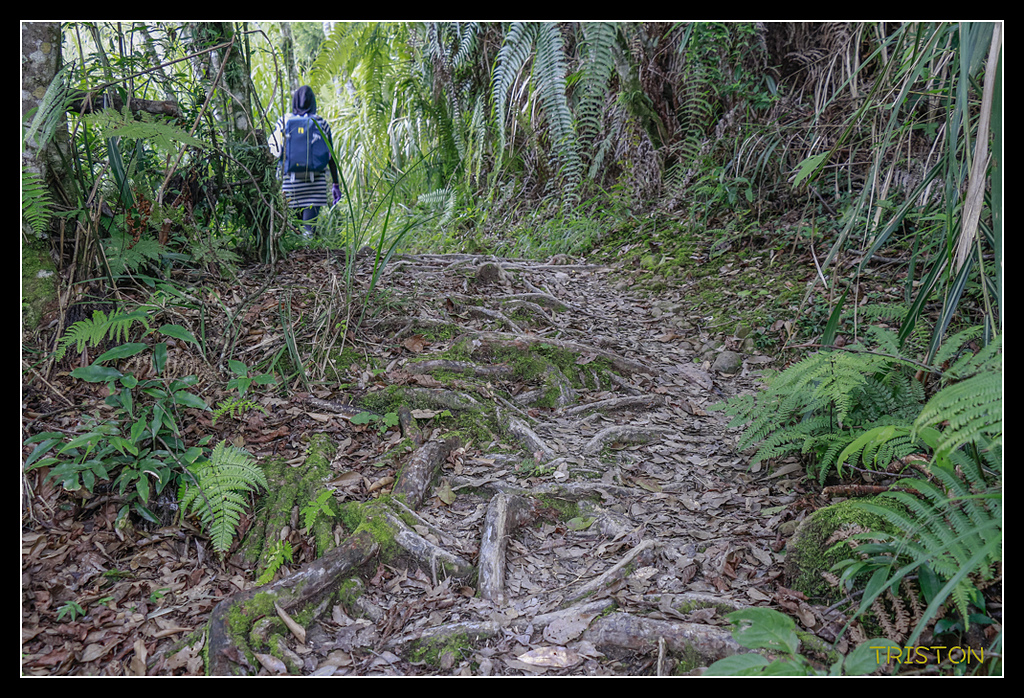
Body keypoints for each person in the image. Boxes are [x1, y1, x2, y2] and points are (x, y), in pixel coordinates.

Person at [269, 86, 342, 237]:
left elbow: (274, 152)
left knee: (292, 231)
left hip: (289, 184)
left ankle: (295, 259)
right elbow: (331, 157)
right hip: (315, 186)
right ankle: (308, 253)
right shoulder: (321, 123)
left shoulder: (284, 121)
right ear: (313, 102)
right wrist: (335, 184)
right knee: (308, 232)